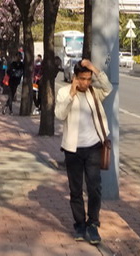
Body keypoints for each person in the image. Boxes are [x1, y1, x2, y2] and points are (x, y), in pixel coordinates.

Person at [54, 58, 112, 246]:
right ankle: (79, 224)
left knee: (94, 187)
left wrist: (93, 68)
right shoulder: (64, 92)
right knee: (75, 189)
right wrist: (71, 94)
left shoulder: (94, 93)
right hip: (73, 150)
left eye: (88, 79)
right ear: (75, 78)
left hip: (94, 147)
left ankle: (93, 223)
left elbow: (108, 87)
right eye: (82, 79)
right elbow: (60, 114)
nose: (86, 83)